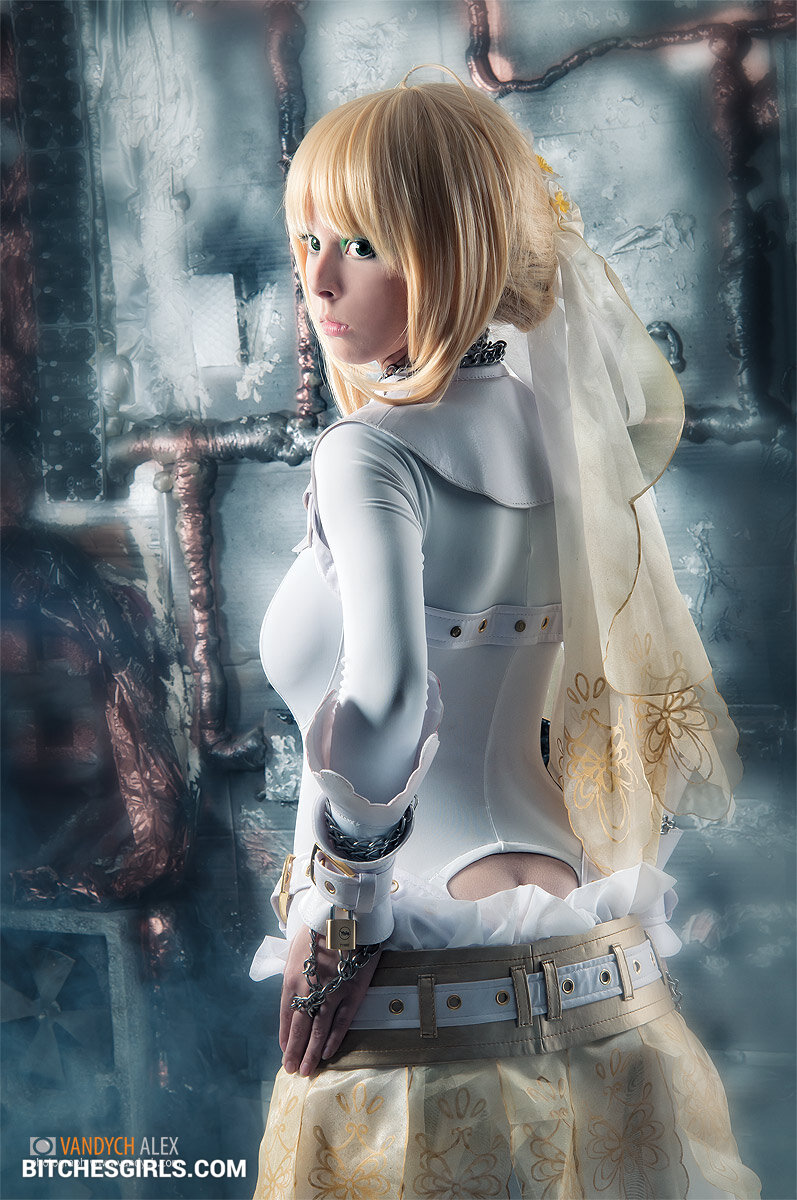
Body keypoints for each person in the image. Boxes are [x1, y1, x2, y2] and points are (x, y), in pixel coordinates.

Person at [250, 69, 761, 1200]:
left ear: (453, 248)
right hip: (595, 954)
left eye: (363, 245)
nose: (318, 280)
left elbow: (386, 699)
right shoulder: (557, 423)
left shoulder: (368, 452)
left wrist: (339, 925)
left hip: (423, 970)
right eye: (309, 241)